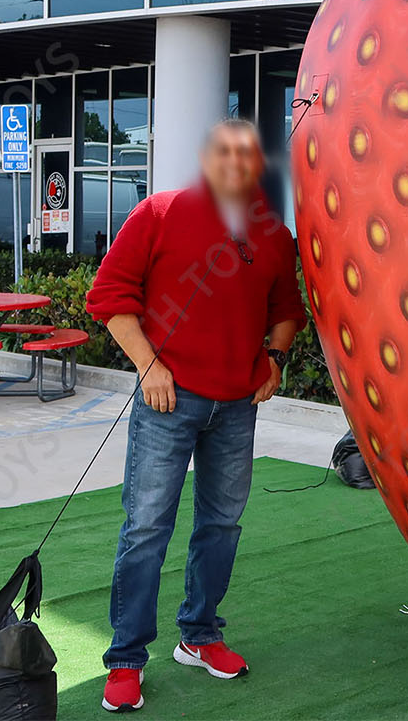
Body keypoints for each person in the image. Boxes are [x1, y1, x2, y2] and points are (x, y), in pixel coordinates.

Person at [86, 119, 305, 713]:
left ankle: (200, 635)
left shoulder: (274, 236)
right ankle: (127, 659)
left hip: (237, 406)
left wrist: (275, 358)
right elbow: (110, 298)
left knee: (222, 525)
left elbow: (288, 308)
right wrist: (149, 366)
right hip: (168, 400)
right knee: (146, 529)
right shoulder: (159, 213)